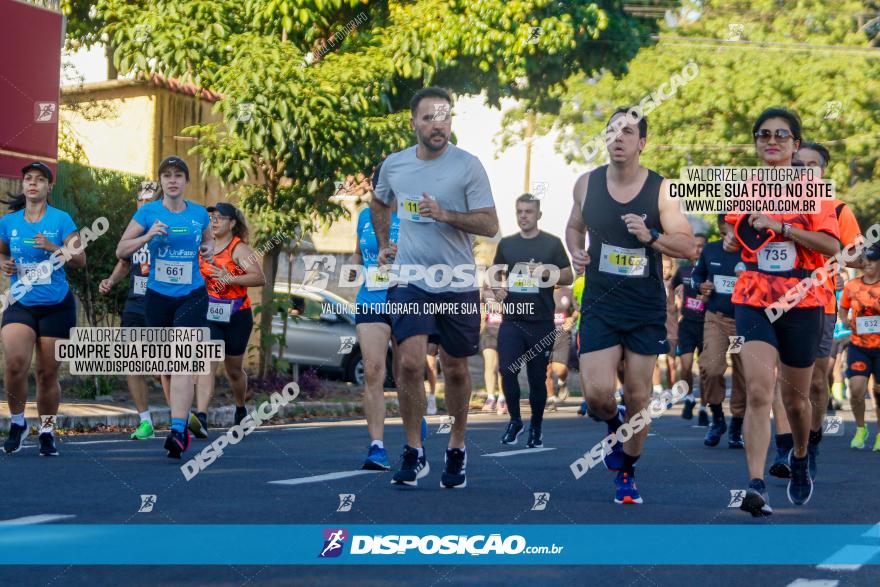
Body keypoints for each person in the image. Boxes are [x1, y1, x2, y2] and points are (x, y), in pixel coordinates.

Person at [566, 107, 696, 504]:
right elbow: (574, 226)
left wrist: (651, 235)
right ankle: (611, 424)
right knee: (598, 395)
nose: (618, 137)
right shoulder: (586, 184)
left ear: (642, 143)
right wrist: (575, 250)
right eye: (611, 130)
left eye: (628, 132)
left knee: (639, 396)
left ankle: (627, 471)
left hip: (643, 307)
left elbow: (688, 244)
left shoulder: (661, 189)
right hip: (601, 305)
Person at [372, 86, 498, 488]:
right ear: (414, 123)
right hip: (412, 279)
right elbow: (378, 202)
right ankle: (414, 450)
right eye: (428, 117)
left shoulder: (468, 166)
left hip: (457, 280)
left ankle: (457, 447)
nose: (437, 124)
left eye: (444, 117)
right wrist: (383, 244)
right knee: (409, 363)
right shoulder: (394, 165)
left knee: (456, 368)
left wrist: (446, 214)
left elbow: (490, 225)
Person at [724, 108, 840, 516]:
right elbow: (735, 234)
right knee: (758, 389)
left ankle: (801, 455)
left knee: (796, 401)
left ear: (795, 143)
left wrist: (783, 226)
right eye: (763, 134)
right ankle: (756, 485)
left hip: (803, 299)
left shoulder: (814, 190)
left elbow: (832, 247)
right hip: (754, 295)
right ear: (756, 143)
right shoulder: (744, 187)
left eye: (781, 135)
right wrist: (731, 241)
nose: (771, 140)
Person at [116, 156, 214, 459]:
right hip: (157, 297)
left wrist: (208, 249)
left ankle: (177, 429)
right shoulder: (148, 212)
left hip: (192, 295)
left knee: (182, 360)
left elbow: (208, 242)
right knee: (167, 365)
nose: (172, 180)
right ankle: (180, 424)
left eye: (178, 175)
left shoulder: (199, 214)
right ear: (161, 182)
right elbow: (121, 249)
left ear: (186, 181)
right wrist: (147, 235)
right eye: (167, 175)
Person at [1, 162, 84, 456]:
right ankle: (18, 423)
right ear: (23, 186)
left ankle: (47, 429)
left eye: (39, 180)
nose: (32, 184)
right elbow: (1, 251)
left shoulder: (61, 220)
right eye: (28, 179)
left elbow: (80, 259)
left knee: (47, 373)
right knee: (15, 364)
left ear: (49, 187)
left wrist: (52, 247)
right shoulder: (9, 222)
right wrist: (3, 262)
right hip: (20, 302)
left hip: (56, 306)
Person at [792, 141, 862, 477]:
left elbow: (857, 253)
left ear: (822, 172)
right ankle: (787, 447)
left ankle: (811, 441)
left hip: (820, 303)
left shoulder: (837, 209)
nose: (804, 171)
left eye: (811, 166)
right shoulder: (770, 205)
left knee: (817, 381)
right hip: (774, 303)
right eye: (798, 165)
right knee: (781, 381)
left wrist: (836, 258)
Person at [494, 194, 573, 448]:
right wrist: (497, 289)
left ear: (538, 214)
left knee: (537, 378)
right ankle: (515, 420)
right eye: (519, 211)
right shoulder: (507, 244)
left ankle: (536, 427)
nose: (523, 216)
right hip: (512, 319)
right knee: (507, 369)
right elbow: (494, 275)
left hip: (540, 321)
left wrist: (545, 272)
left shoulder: (552, 243)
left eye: (528, 211)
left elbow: (568, 275)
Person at [349, 165, 405, 470]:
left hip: (407, 298)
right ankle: (376, 446)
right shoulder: (363, 217)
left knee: (407, 370)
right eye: (379, 181)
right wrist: (353, 267)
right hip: (371, 297)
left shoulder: (413, 215)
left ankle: (415, 426)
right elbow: (358, 254)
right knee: (372, 369)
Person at [99, 181, 164, 440]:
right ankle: (145, 422)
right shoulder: (134, 231)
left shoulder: (170, 228)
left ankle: (181, 418)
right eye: (140, 200)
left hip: (163, 303)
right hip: (136, 303)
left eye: (149, 201)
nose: (143, 205)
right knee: (132, 362)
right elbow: (125, 262)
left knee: (165, 367)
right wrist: (111, 281)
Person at [194, 202, 266, 435]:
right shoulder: (203, 246)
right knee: (207, 362)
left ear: (232, 223)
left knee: (234, 370)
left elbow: (258, 277)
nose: (214, 221)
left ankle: (240, 408)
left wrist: (230, 277)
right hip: (209, 314)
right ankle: (201, 417)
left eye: (220, 218)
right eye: (212, 217)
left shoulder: (239, 249)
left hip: (237, 316)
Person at [692, 215, 746, 447]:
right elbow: (696, 276)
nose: (728, 239)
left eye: (733, 234)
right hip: (716, 319)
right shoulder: (711, 251)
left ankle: (736, 425)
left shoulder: (751, 253)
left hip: (743, 323)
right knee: (711, 367)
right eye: (724, 234)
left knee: (743, 372)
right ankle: (718, 418)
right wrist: (701, 285)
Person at [839, 245, 880, 452]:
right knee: (856, 390)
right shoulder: (852, 286)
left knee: (879, 393)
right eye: (865, 260)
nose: (868, 264)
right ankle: (861, 428)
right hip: (858, 346)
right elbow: (844, 305)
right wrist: (844, 320)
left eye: (873, 260)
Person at [671, 234, 707, 423]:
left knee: (704, 369)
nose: (698, 249)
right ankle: (690, 398)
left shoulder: (711, 269)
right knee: (684, 365)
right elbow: (670, 286)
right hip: (687, 324)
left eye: (702, 246)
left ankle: (703, 407)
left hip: (707, 325)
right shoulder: (683, 270)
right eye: (695, 246)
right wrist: (671, 306)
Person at [546, 284, 575, 410]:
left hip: (562, 335)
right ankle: (551, 398)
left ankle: (562, 382)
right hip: (544, 335)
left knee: (560, 369)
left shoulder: (568, 292)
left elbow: (577, 309)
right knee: (546, 370)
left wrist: (571, 318)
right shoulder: (541, 291)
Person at [479, 283, 504, 413]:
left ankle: (502, 397)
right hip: (489, 332)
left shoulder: (510, 289)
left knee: (501, 367)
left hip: (505, 332)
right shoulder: (486, 291)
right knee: (489, 365)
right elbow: (482, 307)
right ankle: (490, 397)